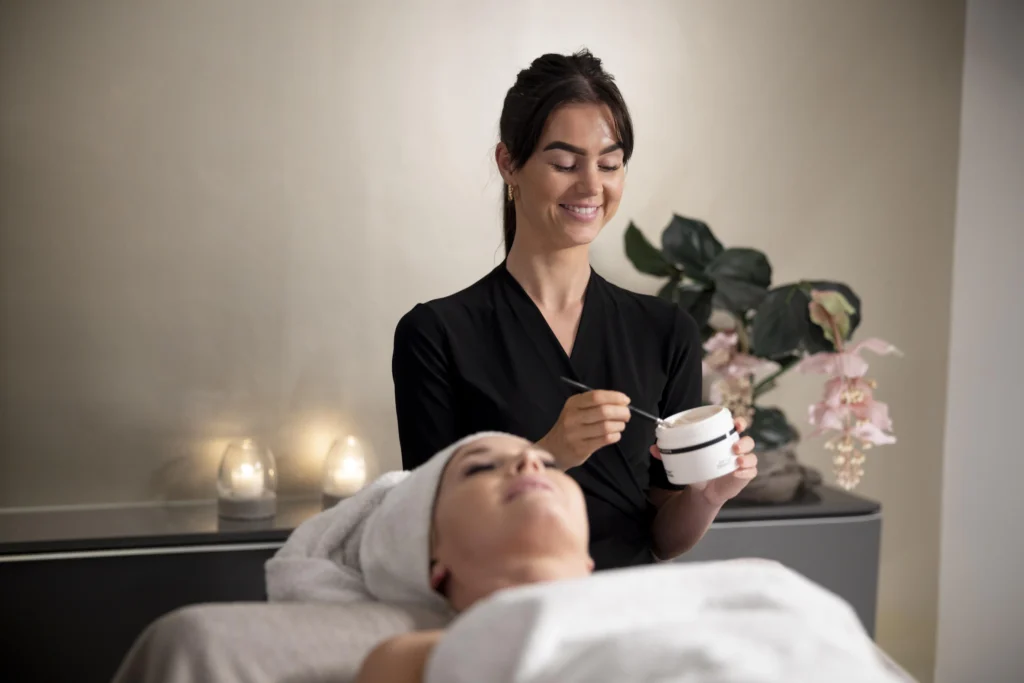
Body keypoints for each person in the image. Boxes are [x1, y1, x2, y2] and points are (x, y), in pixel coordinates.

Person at [392, 49, 757, 570]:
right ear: (508, 164)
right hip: (505, 609)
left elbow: (660, 537)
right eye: (565, 163)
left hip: (628, 613)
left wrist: (708, 496)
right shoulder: (435, 334)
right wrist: (549, 455)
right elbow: (427, 528)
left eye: (609, 164)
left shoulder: (665, 331)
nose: (591, 186)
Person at [354, 433, 901, 683]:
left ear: (588, 563)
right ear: (430, 560)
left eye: (544, 462)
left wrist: (707, 495)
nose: (527, 464)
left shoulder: (747, 585)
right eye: (481, 467)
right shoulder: (416, 655)